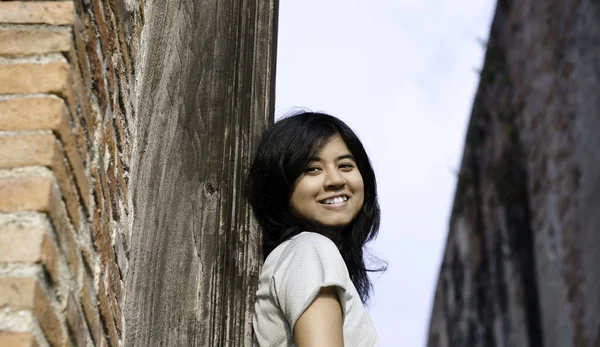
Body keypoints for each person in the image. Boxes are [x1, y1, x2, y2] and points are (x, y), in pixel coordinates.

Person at [246, 111, 385, 347]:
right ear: (280, 186)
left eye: (345, 165)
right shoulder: (311, 250)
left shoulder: (305, 255)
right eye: (312, 169)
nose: (335, 180)